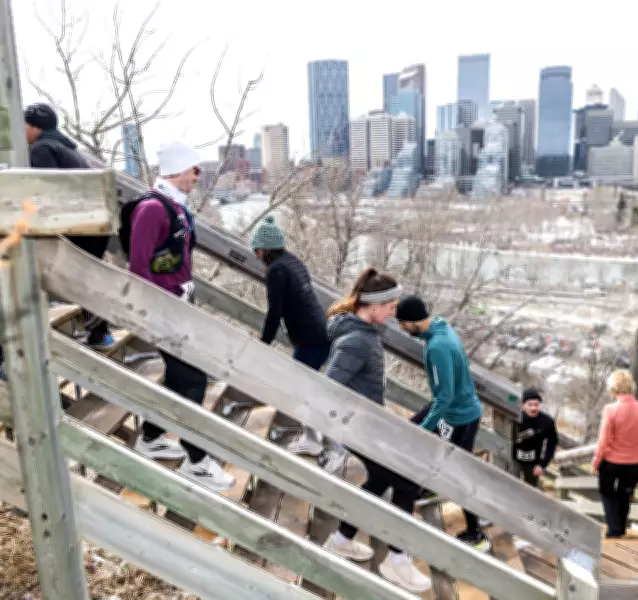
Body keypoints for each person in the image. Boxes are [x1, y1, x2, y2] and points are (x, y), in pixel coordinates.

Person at [128, 140, 234, 493]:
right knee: (193, 381)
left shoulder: (174, 207)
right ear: (177, 170)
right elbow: (138, 267)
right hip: (164, 310)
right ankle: (197, 460)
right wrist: (151, 311)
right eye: (194, 169)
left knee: (179, 380)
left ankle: (151, 438)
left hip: (179, 305)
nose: (197, 176)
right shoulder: (153, 210)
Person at [322, 269, 431, 594]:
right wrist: (352, 422)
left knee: (380, 482)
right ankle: (397, 560)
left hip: (368, 425)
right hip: (361, 429)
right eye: (391, 306)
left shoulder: (364, 331)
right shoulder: (357, 340)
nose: (394, 313)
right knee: (407, 483)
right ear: (372, 305)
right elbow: (328, 385)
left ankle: (340, 540)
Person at [395, 295, 490, 553]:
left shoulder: (437, 346)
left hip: (458, 416)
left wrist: (425, 429)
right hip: (461, 408)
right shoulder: (441, 326)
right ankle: (431, 487)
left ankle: (476, 534)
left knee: (459, 473)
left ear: (414, 321)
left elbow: (444, 397)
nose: (401, 328)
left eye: (402, 323)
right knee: (410, 431)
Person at [24, 103, 114, 349]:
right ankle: (100, 333)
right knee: (87, 277)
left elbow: (50, 193)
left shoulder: (42, 148)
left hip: (78, 225)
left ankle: (98, 333)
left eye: (25, 125)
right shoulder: (66, 148)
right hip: (93, 224)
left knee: (79, 277)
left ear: (35, 127)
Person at [250, 216, 330, 456]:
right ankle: (314, 437)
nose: (256, 256)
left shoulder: (276, 270)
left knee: (300, 388)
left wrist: (263, 344)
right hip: (319, 331)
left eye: (256, 250)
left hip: (310, 338)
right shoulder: (292, 261)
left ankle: (319, 441)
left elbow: (275, 311)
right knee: (304, 388)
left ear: (264, 249)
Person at [591, 370, 638, 538]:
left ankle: (614, 530)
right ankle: (620, 528)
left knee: (607, 493)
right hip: (633, 462)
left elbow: (603, 439)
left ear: (613, 388)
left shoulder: (611, 409)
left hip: (611, 461)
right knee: (625, 495)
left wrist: (596, 461)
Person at [514, 388, 559, 489]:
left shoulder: (547, 421)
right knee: (510, 487)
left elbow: (552, 443)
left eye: (536, 404)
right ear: (523, 405)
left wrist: (543, 465)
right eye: (530, 404)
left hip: (533, 463)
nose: (533, 408)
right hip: (513, 459)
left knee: (530, 491)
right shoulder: (515, 417)